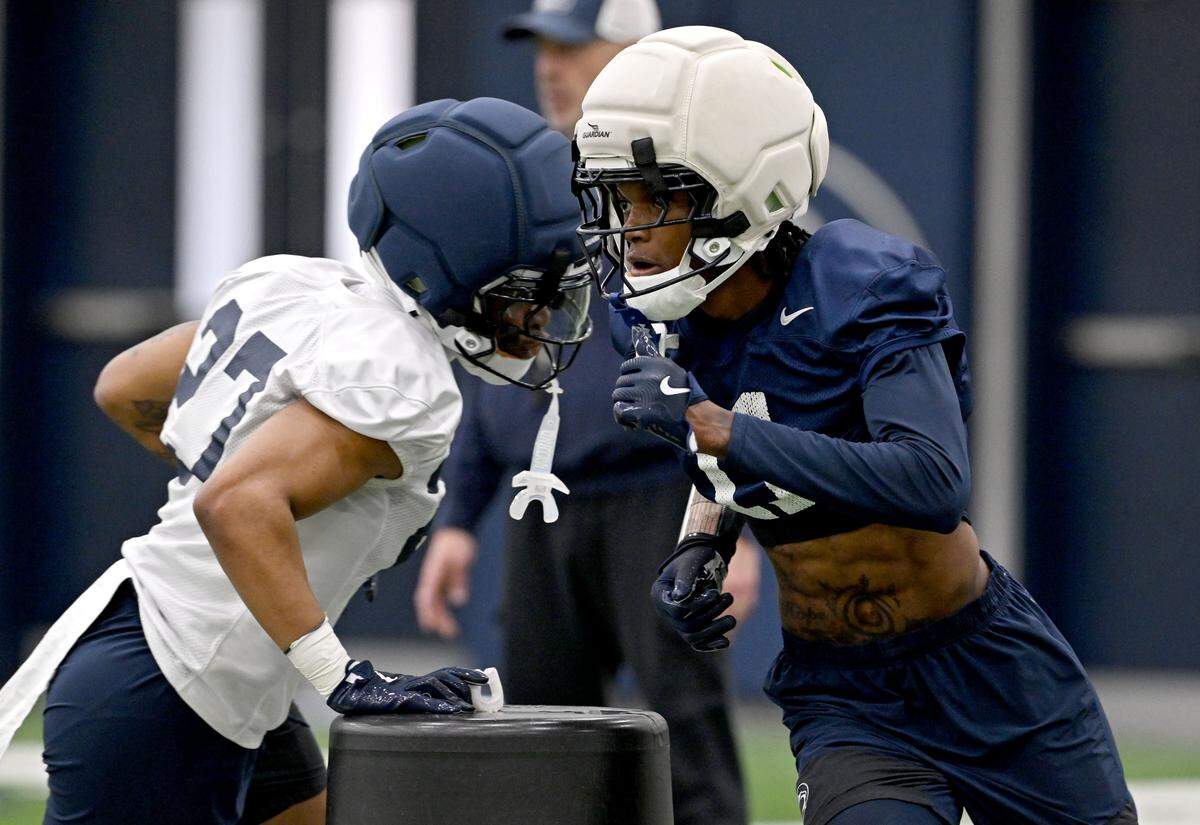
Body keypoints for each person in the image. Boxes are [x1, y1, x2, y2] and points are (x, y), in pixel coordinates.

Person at [575, 26, 1138, 825]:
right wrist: (704, 537)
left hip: (983, 664)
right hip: (844, 693)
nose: (629, 228)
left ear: (740, 191)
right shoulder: (663, 321)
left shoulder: (859, 284)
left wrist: (710, 424)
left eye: (653, 196)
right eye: (617, 198)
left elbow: (932, 480)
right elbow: (739, 436)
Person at [0, 97, 591, 825]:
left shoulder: (301, 287)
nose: (541, 320)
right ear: (445, 268)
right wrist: (340, 675)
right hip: (170, 687)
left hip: (209, 666)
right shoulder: (403, 375)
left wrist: (225, 462)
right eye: (526, 293)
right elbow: (236, 505)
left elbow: (123, 386)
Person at [415, 5, 750, 825]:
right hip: (543, 500)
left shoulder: (687, 179)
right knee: (538, 745)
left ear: (636, 53)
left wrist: (735, 528)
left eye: (572, 46)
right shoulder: (525, 178)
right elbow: (492, 357)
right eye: (543, 47)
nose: (549, 66)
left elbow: (747, 365)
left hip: (659, 495)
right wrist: (461, 512)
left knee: (685, 740)